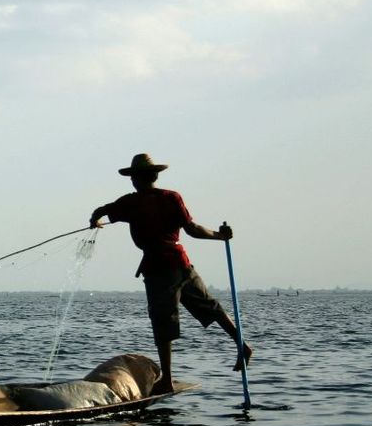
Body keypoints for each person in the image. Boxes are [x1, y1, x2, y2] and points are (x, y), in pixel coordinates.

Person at [89, 153, 252, 395]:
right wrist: (220, 236)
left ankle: (166, 379)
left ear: (135, 180)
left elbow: (100, 210)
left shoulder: (131, 202)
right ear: (154, 176)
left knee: (162, 322)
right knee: (211, 307)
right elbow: (192, 229)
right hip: (182, 264)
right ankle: (243, 345)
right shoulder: (171, 197)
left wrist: (95, 221)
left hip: (159, 269)